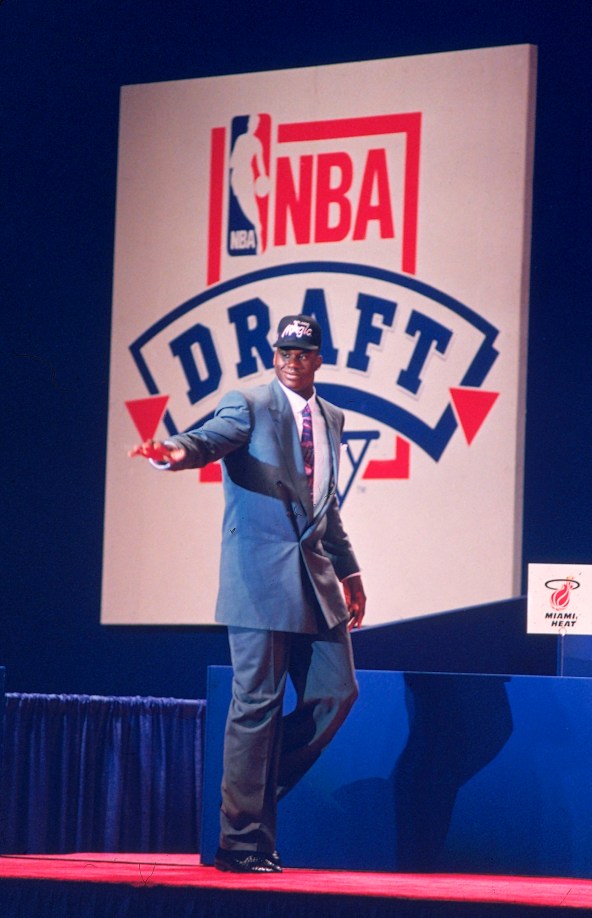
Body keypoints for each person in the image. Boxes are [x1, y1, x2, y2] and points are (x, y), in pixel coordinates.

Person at [129, 314, 366, 873]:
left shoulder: (332, 417)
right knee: (255, 705)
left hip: (317, 579)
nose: (290, 359)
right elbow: (208, 440)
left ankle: (250, 790)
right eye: (283, 350)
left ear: (318, 359)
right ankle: (241, 843)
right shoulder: (249, 405)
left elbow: (325, 506)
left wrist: (351, 571)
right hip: (258, 578)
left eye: (302, 352)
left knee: (337, 693)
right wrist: (175, 454)